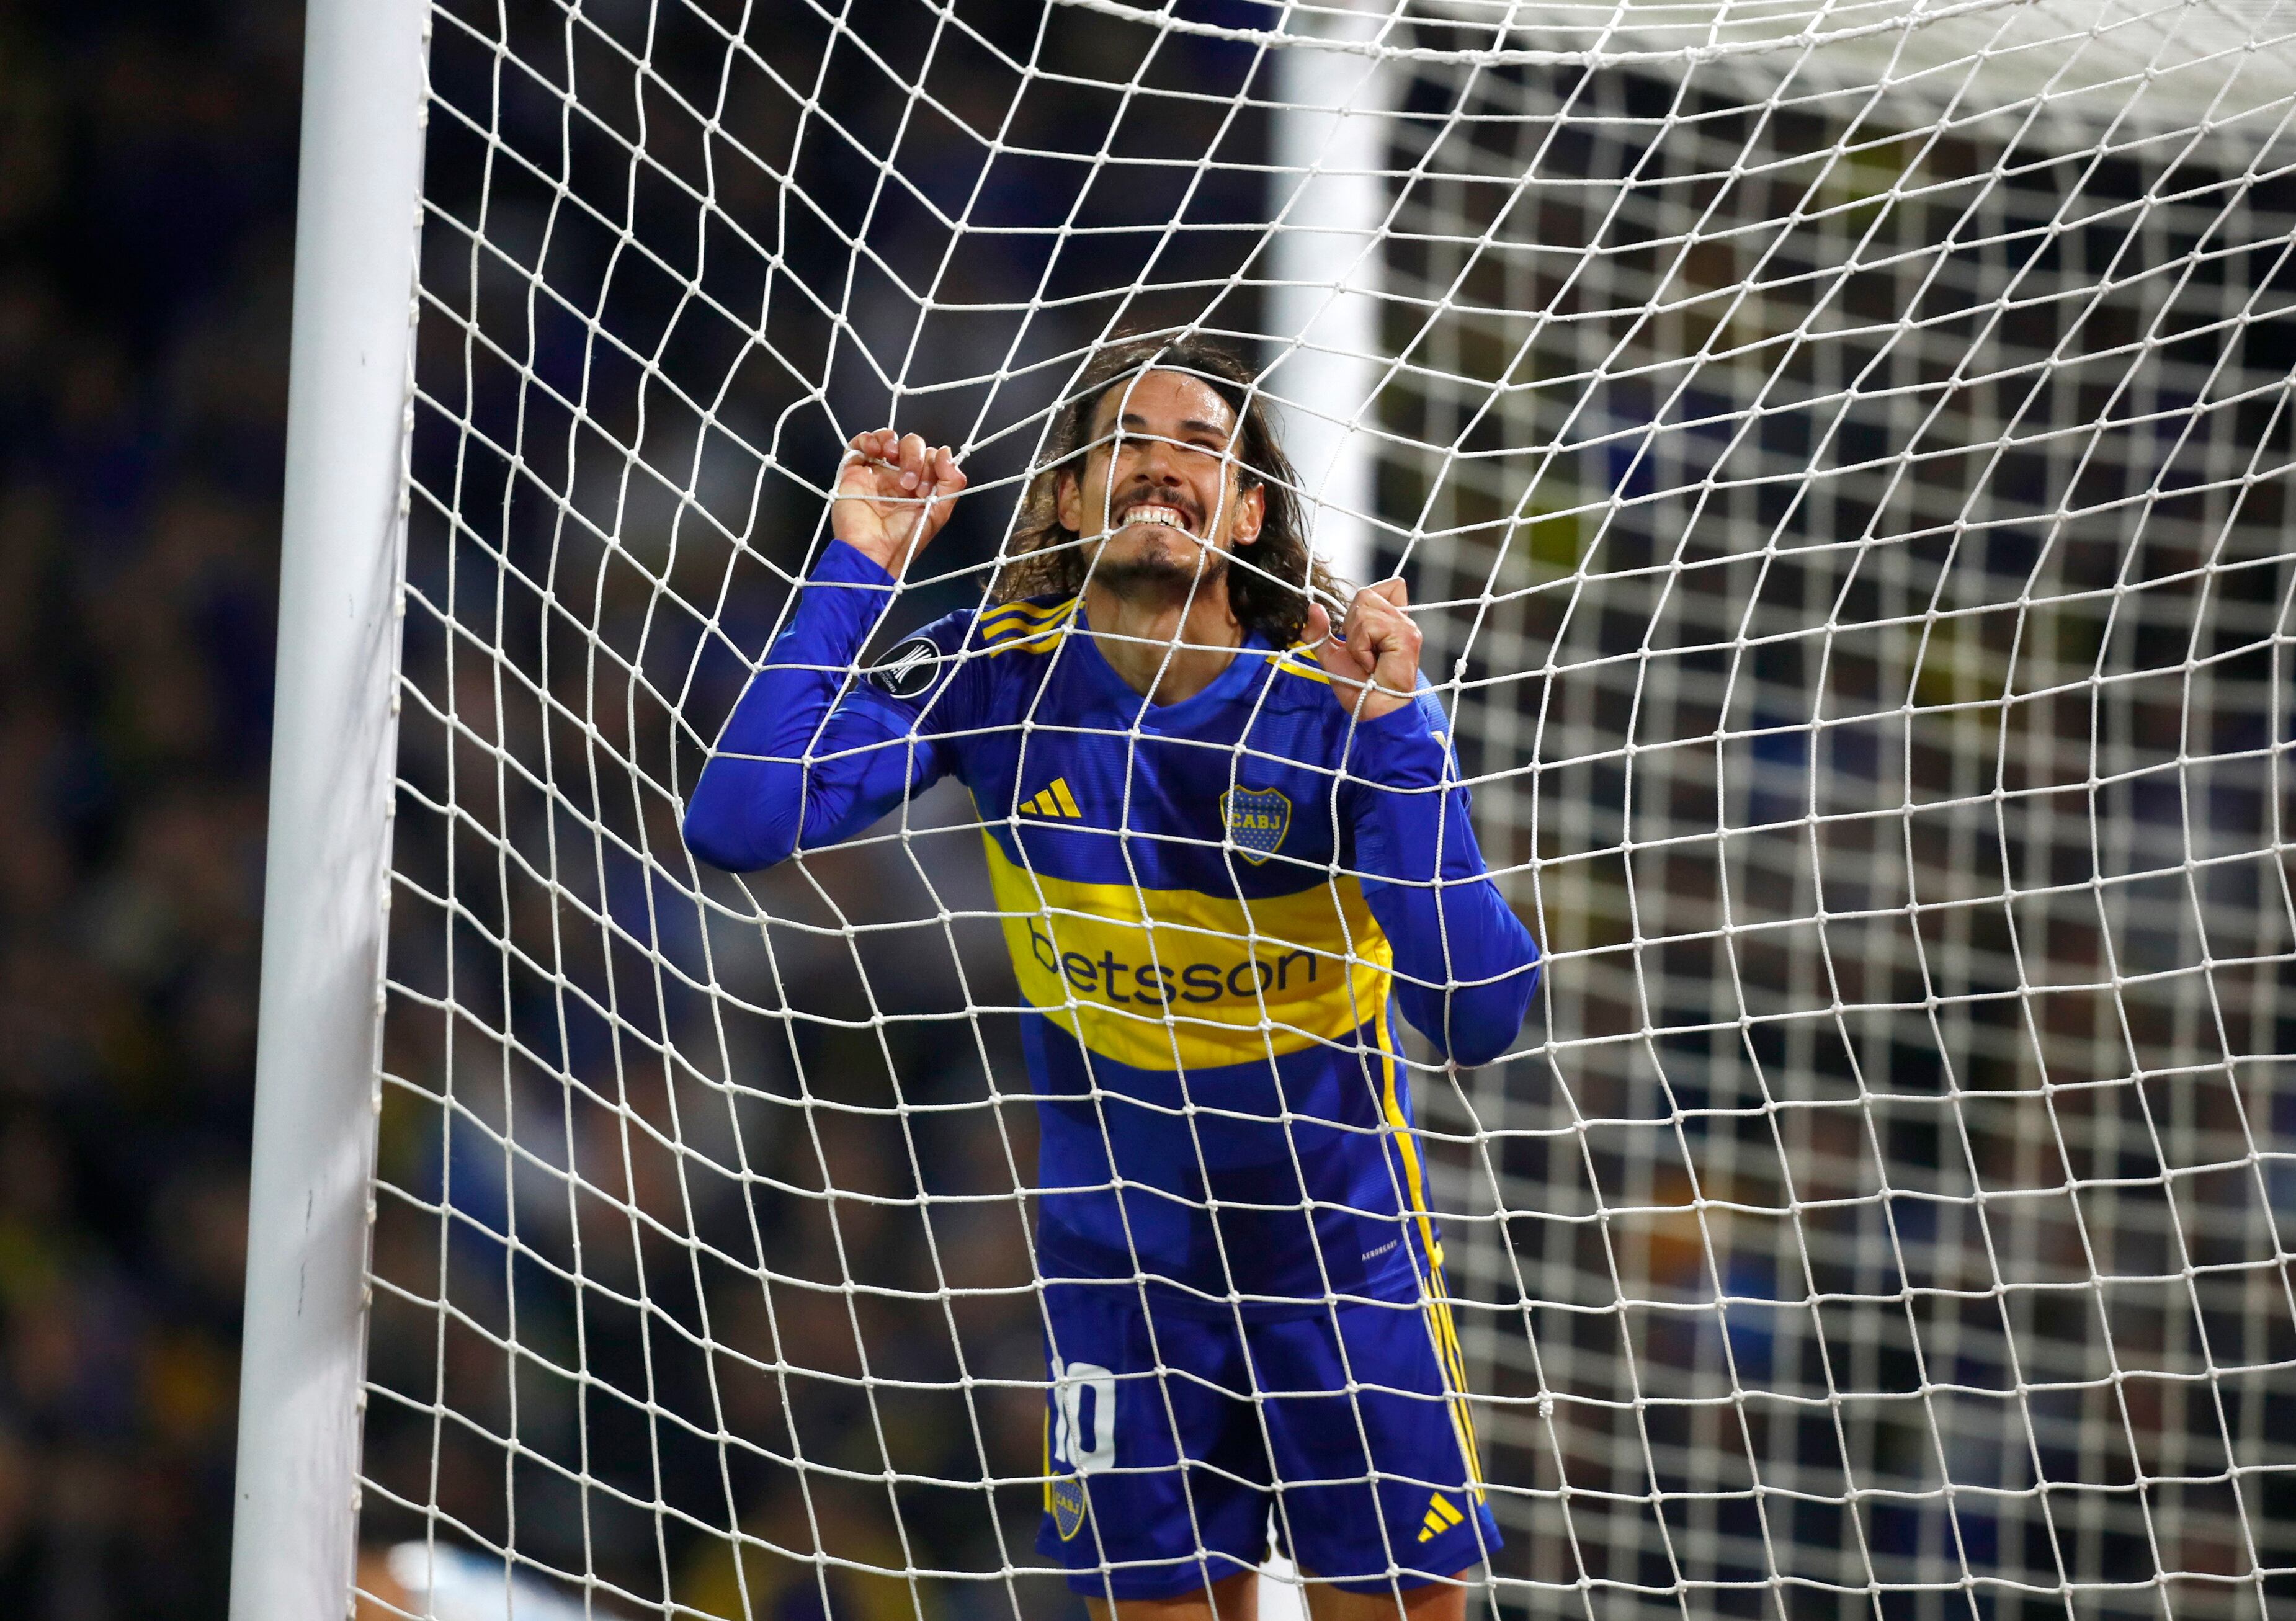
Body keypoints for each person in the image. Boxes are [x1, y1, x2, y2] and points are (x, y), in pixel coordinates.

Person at [682, 334, 1540, 1620]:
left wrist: (1406, 746)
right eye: (1123, 441)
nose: (1160, 463)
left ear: (1250, 509)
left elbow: (1479, 1016)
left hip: (1340, 1254)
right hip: (1119, 1265)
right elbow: (737, 817)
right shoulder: (1000, 673)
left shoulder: (1337, 705)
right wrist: (859, 564)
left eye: (1200, 443)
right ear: (1070, 499)